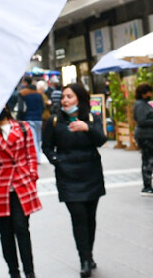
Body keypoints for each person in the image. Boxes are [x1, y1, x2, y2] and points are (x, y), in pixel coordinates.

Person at [42, 83, 107, 277]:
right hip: (68, 176)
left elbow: (102, 140)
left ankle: (89, 253)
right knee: (78, 217)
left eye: (69, 97)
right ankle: (84, 259)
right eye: (63, 97)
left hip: (90, 173)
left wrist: (87, 128)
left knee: (90, 218)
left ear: (79, 98)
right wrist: (57, 161)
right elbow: (46, 147)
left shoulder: (89, 118)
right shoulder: (54, 121)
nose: (65, 100)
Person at [0, 97, 42, 278]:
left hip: (21, 187)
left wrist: (32, 176)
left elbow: (31, 155)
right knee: (5, 234)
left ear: (6, 105)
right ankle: (14, 272)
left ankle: (29, 272)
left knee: (22, 228)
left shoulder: (23, 128)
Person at [132, 83, 153, 195]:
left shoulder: (143, 104)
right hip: (145, 136)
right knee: (148, 159)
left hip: (148, 135)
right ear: (143, 93)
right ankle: (147, 186)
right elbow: (142, 121)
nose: (151, 94)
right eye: (149, 92)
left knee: (148, 159)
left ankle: (148, 185)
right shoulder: (141, 105)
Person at [17, 76, 48, 162]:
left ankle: (36, 158)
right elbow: (43, 106)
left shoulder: (22, 93)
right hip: (38, 118)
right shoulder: (39, 93)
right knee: (37, 139)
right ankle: (37, 156)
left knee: (33, 138)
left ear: (25, 83)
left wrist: (19, 118)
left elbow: (20, 108)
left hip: (28, 118)